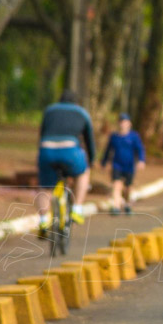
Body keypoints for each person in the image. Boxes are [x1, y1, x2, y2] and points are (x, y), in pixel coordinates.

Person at [36, 89, 95, 232]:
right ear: (76, 102)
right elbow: (89, 141)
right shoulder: (82, 113)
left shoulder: (49, 110)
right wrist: (91, 160)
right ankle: (77, 208)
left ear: (60, 100)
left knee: (45, 188)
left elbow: (42, 133)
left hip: (47, 151)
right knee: (83, 173)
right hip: (70, 152)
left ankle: (43, 220)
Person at [101, 113, 146, 215]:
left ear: (129, 124)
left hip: (129, 166)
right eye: (121, 122)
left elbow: (140, 149)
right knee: (116, 185)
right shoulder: (114, 137)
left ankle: (127, 204)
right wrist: (104, 163)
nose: (123, 124)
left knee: (128, 188)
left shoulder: (134, 136)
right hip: (117, 165)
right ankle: (116, 206)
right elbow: (108, 150)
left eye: (125, 122)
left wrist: (141, 160)